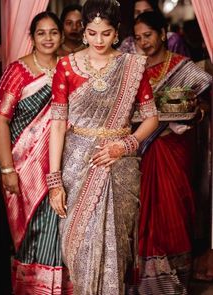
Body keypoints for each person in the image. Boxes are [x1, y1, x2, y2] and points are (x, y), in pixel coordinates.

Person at [48, 0, 158, 294]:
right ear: (84, 31)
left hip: (119, 165)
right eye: (93, 33)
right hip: (77, 166)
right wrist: (55, 181)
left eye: (106, 34)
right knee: (78, 246)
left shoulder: (132, 66)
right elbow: (58, 124)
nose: (99, 40)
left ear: (117, 33)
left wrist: (124, 145)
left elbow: (151, 118)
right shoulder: (66, 67)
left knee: (116, 248)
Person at [0, 12, 72, 295]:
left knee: (58, 230)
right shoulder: (18, 71)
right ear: (32, 37)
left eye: (53, 32)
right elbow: (0, 120)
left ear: (61, 36)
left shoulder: (68, 67)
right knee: (31, 233)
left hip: (59, 165)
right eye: (41, 33)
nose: (48, 38)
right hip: (24, 168)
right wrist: (7, 170)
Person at [133, 11, 212, 295]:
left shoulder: (182, 67)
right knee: (142, 214)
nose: (144, 42)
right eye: (138, 37)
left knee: (176, 208)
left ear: (163, 33)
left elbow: (203, 105)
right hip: (141, 150)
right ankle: (146, 283)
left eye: (149, 35)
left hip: (174, 149)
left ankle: (176, 279)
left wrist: (194, 112)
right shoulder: (131, 70)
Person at [119, 0, 190, 57]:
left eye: (147, 35)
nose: (142, 15)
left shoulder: (173, 40)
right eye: (137, 12)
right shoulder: (127, 44)